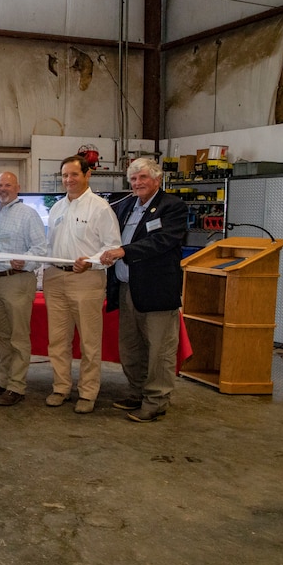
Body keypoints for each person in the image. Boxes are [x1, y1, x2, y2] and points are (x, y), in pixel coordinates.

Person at [101, 158, 187, 422]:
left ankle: (156, 400)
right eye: (134, 179)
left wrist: (124, 251)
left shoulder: (173, 207)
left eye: (143, 178)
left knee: (159, 350)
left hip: (157, 291)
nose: (137, 183)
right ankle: (137, 392)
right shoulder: (125, 206)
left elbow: (161, 241)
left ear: (157, 180)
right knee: (131, 346)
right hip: (126, 288)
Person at [42, 155, 122, 414]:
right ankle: (61, 387)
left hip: (87, 280)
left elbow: (112, 248)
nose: (68, 180)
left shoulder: (100, 208)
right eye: (64, 175)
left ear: (87, 175)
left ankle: (87, 393)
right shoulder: (56, 208)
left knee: (89, 341)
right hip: (55, 278)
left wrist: (91, 261)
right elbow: (48, 245)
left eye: (74, 175)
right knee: (57, 340)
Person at [0, 171, 47, 407]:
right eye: (0, 185)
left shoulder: (28, 215)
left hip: (18, 280)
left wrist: (25, 260)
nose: (3, 189)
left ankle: (17, 386)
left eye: (8, 185)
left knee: (18, 336)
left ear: (18, 187)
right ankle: (2, 380)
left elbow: (41, 248)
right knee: (1, 336)